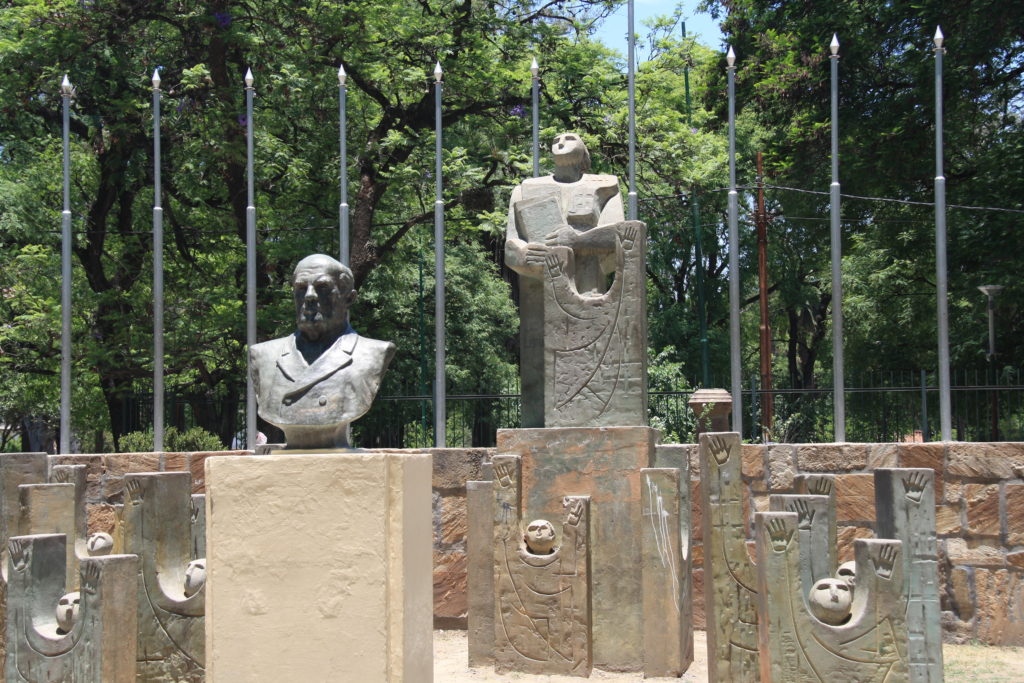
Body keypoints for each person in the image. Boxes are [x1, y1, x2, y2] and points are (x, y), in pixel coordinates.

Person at [504, 133, 625, 427]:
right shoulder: (525, 190)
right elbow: (510, 245)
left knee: (586, 367)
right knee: (540, 372)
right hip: (539, 300)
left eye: (571, 137)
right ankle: (537, 427)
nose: (562, 139)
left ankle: (593, 423)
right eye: (557, 138)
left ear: (585, 153)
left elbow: (622, 236)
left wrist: (578, 239)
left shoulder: (606, 187)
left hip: (587, 294)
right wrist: (524, 255)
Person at [249, 254, 395, 449]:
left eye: (322, 287)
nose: (309, 296)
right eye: (301, 288)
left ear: (349, 298)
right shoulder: (263, 355)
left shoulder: (373, 353)